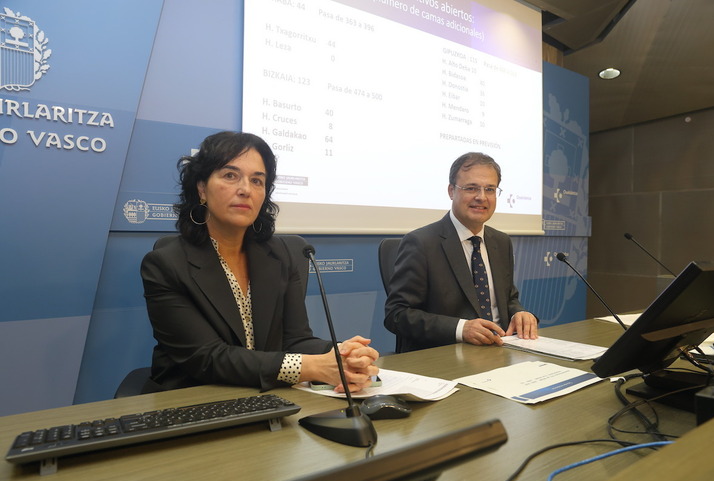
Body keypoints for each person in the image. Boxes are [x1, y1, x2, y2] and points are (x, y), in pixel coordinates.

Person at [141, 131, 379, 392]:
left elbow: (296, 340)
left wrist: (342, 354)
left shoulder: (279, 254)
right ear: (201, 189)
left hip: (267, 396)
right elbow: (207, 358)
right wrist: (312, 367)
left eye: (257, 180)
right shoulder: (165, 264)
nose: (245, 190)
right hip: (196, 398)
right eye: (230, 175)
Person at [384, 152, 538, 353]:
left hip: (502, 349)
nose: (481, 197)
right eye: (471, 188)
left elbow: (509, 298)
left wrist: (520, 313)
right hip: (448, 355)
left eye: (490, 189)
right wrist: (461, 329)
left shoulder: (501, 242)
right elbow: (397, 315)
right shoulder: (421, 243)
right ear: (451, 191)